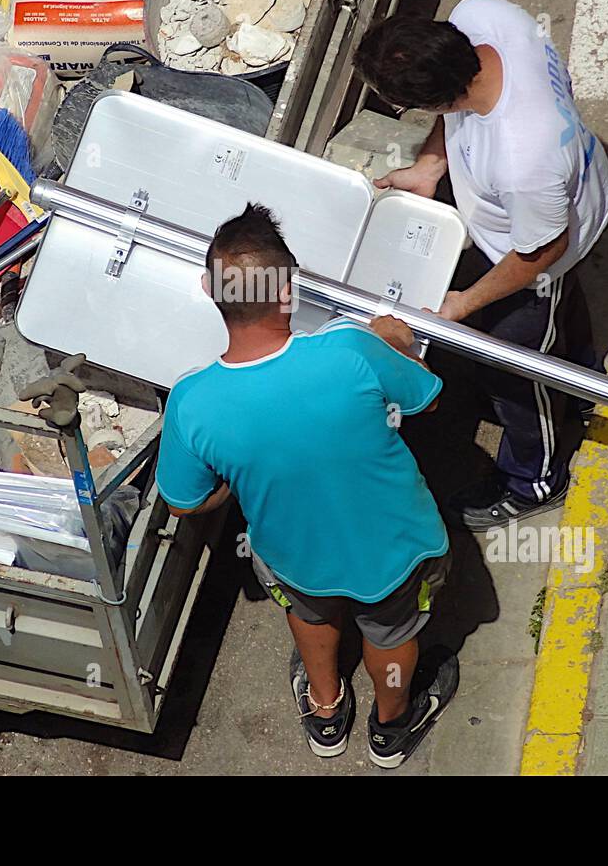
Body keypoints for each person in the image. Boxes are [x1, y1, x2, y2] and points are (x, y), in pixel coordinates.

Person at [155, 203, 458, 767]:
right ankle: (390, 729)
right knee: (390, 633)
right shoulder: (351, 349)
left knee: (312, 615)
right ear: (288, 289)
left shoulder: (191, 402)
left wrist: (236, 480)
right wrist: (397, 343)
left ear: (209, 290)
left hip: (295, 558)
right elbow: (429, 397)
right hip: (395, 551)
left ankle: (326, 714)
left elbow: (183, 500)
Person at [354, 0, 608, 531]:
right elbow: (454, 124)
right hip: (553, 203)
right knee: (562, 321)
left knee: (515, 370)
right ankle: (584, 381)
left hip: (538, 250)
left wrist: (463, 304)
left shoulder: (523, 157)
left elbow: (541, 254)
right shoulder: (484, 18)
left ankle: (535, 478)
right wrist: (430, 167)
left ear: (438, 100)